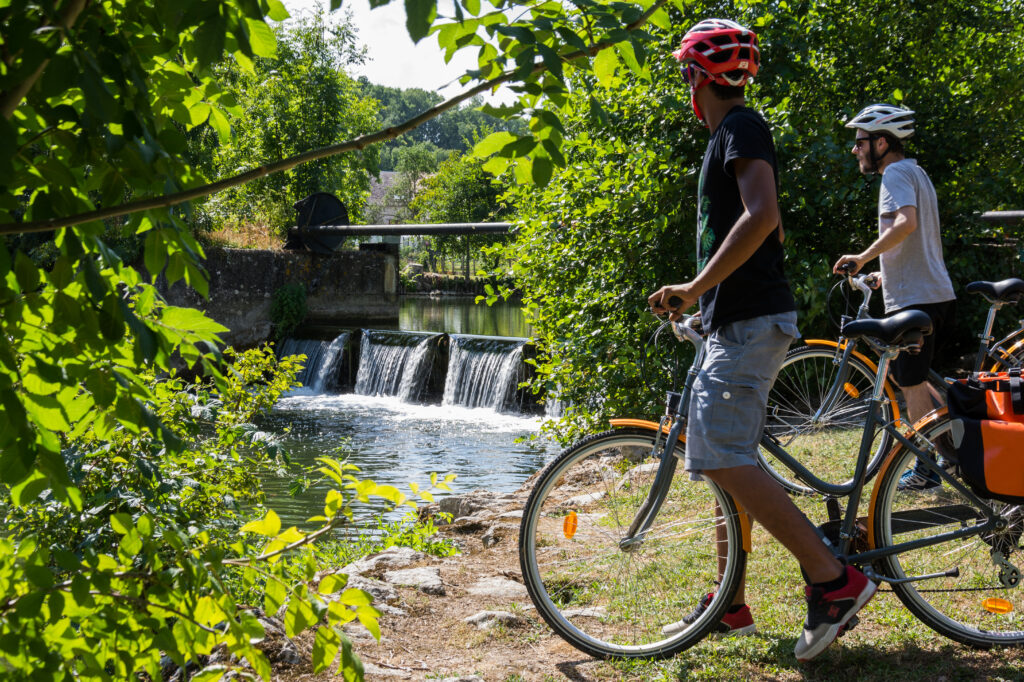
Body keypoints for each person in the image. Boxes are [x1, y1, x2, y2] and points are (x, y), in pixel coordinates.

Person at [648, 18, 876, 662]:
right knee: (725, 459)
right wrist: (705, 305)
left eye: (685, 75)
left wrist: (696, 287)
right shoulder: (729, 135)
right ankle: (731, 603)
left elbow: (763, 216)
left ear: (696, 77)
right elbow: (765, 238)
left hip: (750, 323)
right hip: (736, 319)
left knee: (720, 455)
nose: (684, 86)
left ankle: (834, 581)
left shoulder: (741, 129)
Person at [832, 103, 957, 490]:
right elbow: (912, 241)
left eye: (860, 142)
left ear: (882, 143)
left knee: (909, 384)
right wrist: (881, 274)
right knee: (917, 382)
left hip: (917, 301)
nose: (855, 150)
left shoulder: (896, 175)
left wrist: (862, 255)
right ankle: (955, 455)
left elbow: (906, 224)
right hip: (931, 294)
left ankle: (931, 468)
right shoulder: (915, 172)